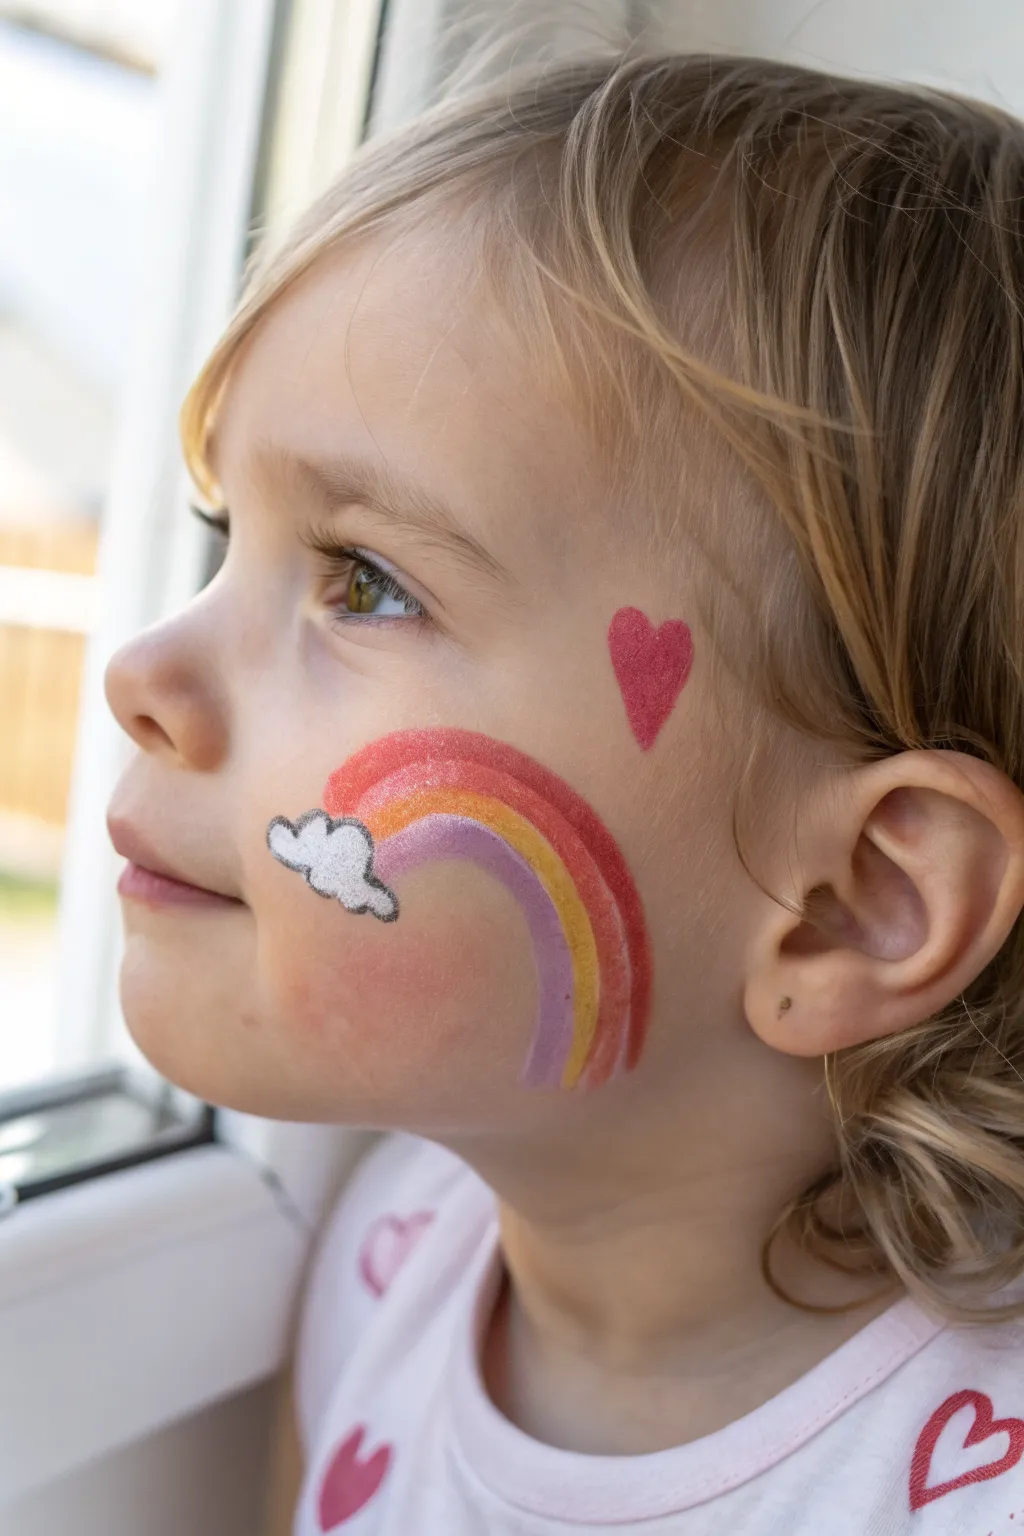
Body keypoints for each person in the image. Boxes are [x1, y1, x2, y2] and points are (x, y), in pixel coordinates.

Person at [104, 52, 1024, 1534]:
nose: (142, 670)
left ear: (850, 907)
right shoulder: (390, 1267)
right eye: (227, 535)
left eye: (366, 581)